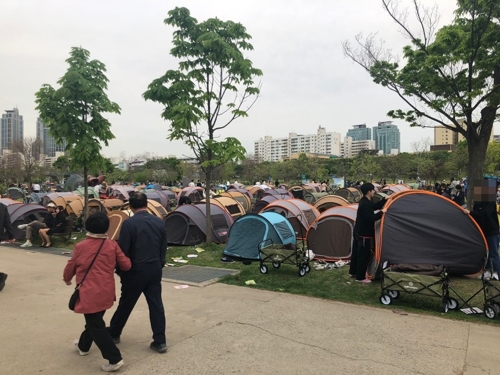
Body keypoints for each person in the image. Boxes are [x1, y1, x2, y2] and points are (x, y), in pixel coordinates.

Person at [63, 213, 131, 372]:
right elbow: (126, 265)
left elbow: (71, 266)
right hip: (106, 291)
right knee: (94, 321)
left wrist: (67, 279)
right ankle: (83, 346)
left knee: (96, 326)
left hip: (88, 293)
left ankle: (115, 358)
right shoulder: (112, 245)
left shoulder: (81, 246)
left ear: (87, 227)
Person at [108, 192, 168, 353]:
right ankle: (160, 341)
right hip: (154, 268)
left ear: (131, 206)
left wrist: (121, 270)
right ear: (147, 204)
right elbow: (163, 246)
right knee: (156, 305)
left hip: (135, 270)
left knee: (126, 303)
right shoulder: (159, 222)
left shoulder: (129, 224)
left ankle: (114, 333)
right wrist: (160, 263)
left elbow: (123, 250)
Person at [348, 183, 387, 283]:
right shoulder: (364, 203)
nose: (374, 191)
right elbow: (371, 218)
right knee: (363, 256)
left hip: (358, 231)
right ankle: (360, 277)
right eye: (373, 190)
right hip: (363, 234)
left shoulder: (366, 201)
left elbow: (373, 207)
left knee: (356, 253)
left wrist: (384, 201)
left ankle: (353, 272)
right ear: (369, 191)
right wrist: (382, 212)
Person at [463, 179, 500, 280]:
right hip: (483, 231)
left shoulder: (490, 201)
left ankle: (498, 273)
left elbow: (485, 214)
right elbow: (477, 214)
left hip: (492, 231)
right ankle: (487, 272)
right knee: (485, 252)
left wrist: (470, 213)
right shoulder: (479, 201)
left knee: (493, 253)